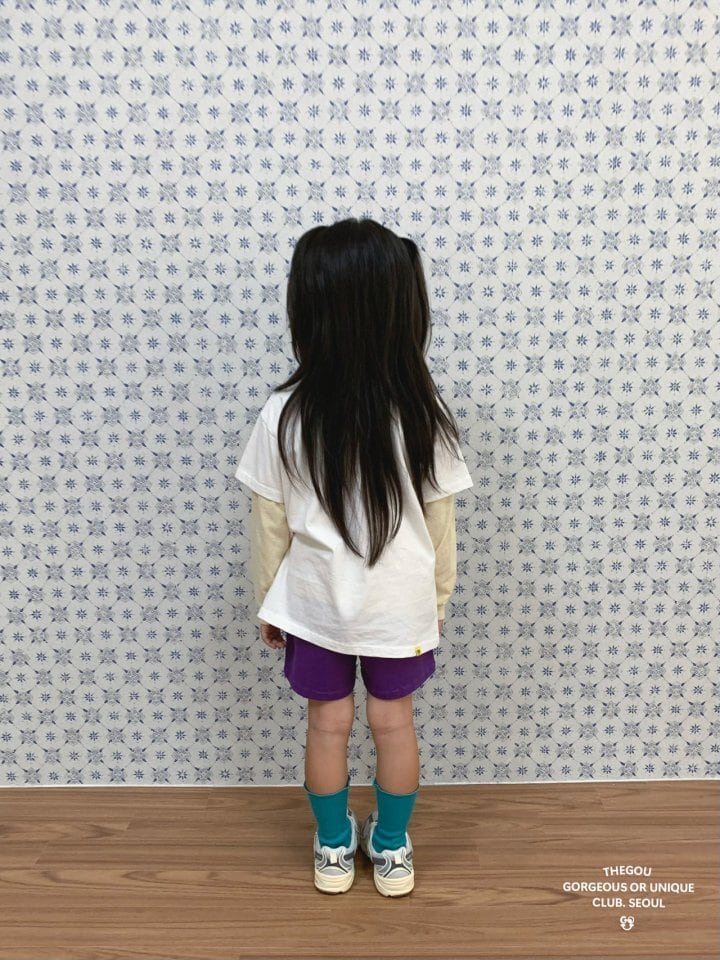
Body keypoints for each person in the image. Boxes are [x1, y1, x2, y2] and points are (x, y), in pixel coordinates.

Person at [234, 218, 473, 897]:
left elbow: (268, 526)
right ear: (402, 311)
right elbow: (441, 526)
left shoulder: (284, 413)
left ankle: (334, 849)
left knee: (325, 725)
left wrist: (269, 603)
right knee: (394, 724)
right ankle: (391, 849)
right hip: (400, 607)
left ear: (311, 313)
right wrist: (437, 603)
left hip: (313, 606)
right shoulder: (424, 413)